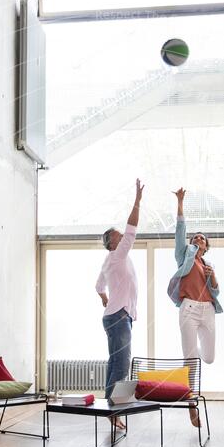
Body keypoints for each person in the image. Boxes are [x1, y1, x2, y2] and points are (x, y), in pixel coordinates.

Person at [167, 187, 223, 427]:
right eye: (195, 237)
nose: (197, 239)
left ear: (207, 246)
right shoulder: (185, 255)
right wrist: (180, 202)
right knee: (190, 361)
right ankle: (191, 405)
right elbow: (180, 231)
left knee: (208, 358)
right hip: (189, 309)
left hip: (208, 310)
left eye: (202, 238)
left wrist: (213, 276)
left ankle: (193, 358)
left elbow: (217, 292)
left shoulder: (207, 264)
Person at [96, 179, 144, 429]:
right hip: (118, 317)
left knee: (115, 363)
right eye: (119, 236)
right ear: (113, 243)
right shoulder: (118, 255)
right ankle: (115, 412)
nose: (123, 236)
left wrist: (105, 299)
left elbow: (98, 287)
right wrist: (137, 201)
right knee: (122, 364)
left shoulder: (110, 260)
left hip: (115, 316)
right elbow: (132, 227)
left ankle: (110, 409)